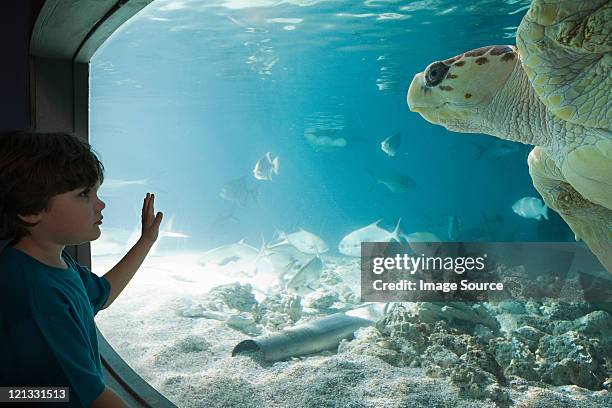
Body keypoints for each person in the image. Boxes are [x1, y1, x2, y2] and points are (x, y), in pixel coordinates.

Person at [0, 131, 163, 407]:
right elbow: (90, 397)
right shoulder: (37, 293)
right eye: (85, 194)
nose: (100, 204)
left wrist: (145, 241)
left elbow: (103, 293)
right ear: (31, 210)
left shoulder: (54, 261)